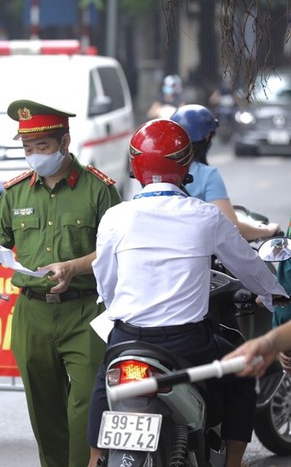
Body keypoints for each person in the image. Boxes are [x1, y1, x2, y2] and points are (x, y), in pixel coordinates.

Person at [84, 118, 287, 467]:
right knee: (241, 375)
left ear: (136, 166)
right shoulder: (205, 216)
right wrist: (275, 296)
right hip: (188, 345)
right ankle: (233, 461)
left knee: (104, 384)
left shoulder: (115, 217)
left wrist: (121, 311)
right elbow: (249, 267)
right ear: (186, 164)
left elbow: (106, 283)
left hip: (128, 340)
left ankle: (95, 459)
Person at [0, 99, 122, 467]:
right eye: (27, 149)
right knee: (43, 407)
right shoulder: (16, 192)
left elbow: (116, 250)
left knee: (85, 404)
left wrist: (73, 267)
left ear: (64, 142)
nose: (34, 156)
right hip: (32, 313)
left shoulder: (99, 190)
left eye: (43, 147)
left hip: (86, 312)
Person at [170, 104, 280, 240]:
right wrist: (267, 231)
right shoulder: (207, 174)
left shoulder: (157, 174)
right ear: (207, 137)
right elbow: (232, 227)